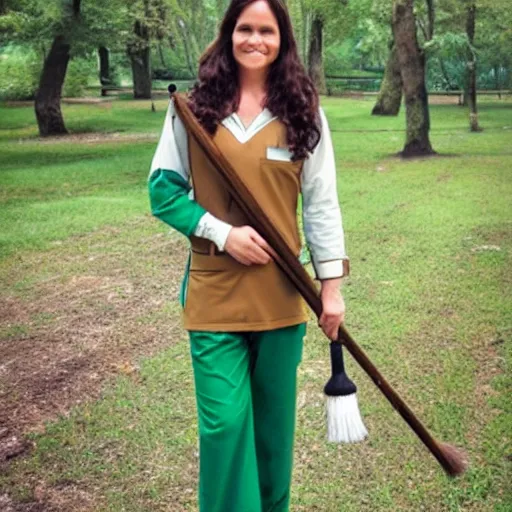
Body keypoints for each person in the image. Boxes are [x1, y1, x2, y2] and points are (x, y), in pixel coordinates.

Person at [148, 1, 349, 510]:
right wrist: (221, 232)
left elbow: (321, 206)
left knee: (272, 435)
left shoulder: (304, 113)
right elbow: (163, 191)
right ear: (228, 34)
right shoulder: (193, 111)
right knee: (225, 426)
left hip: (281, 297)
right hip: (213, 294)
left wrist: (332, 289)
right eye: (245, 28)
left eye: (266, 30)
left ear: (282, 39)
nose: (254, 39)